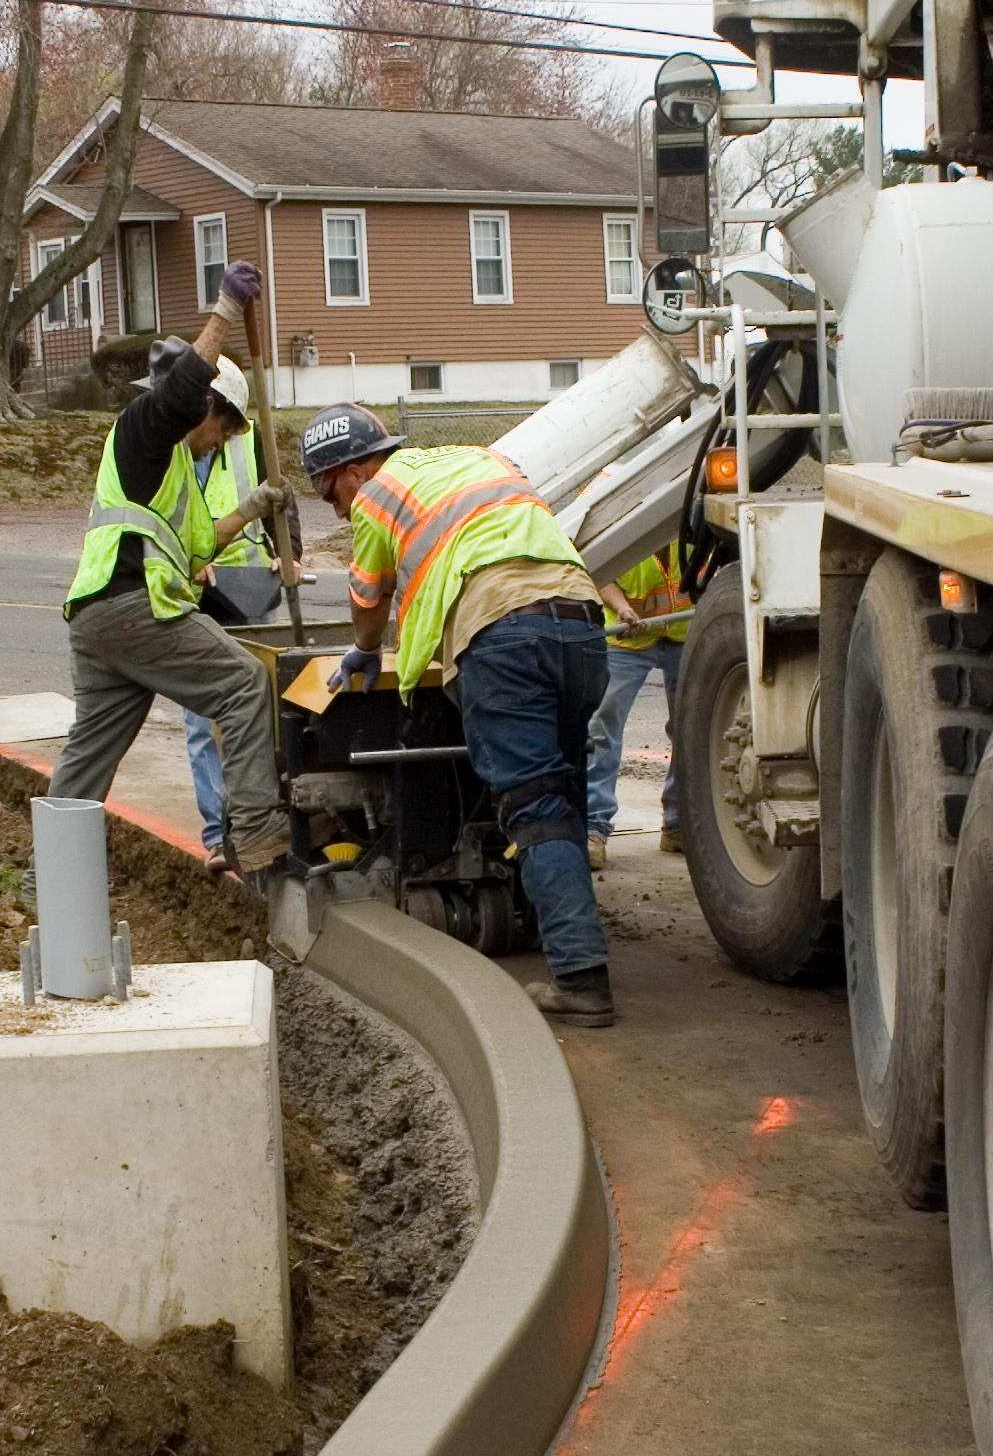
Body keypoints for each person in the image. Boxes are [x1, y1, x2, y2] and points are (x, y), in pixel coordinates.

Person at [297, 401, 616, 1027]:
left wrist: (364, 650)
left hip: (505, 636)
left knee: (537, 808)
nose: (335, 508)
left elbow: (367, 596)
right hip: (579, 624)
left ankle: (582, 979)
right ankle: (569, 934)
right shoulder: (479, 458)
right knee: (565, 794)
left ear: (355, 470)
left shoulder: (377, 496)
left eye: (328, 490)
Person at [49, 264, 295, 874]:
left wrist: (253, 507)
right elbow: (184, 388)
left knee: (89, 753)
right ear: (200, 409)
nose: (224, 439)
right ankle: (260, 839)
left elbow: (196, 545)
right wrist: (226, 311)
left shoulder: (171, 468)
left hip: (98, 620)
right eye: (224, 426)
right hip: (135, 608)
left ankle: (47, 874)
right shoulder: (144, 429)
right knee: (242, 684)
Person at [169, 397, 284, 863]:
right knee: (203, 723)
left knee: (268, 709)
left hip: (254, 590)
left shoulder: (251, 439)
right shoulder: (171, 451)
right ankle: (220, 835)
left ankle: (264, 823)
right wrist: (186, 561)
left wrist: (286, 551)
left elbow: (280, 500)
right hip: (205, 593)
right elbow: (168, 520)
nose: (221, 439)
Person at [585, 538, 691, 868]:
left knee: (691, 728)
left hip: (680, 631)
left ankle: (678, 824)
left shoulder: (686, 513)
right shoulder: (628, 513)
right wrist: (622, 607)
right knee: (604, 729)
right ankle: (593, 828)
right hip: (626, 637)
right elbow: (598, 567)